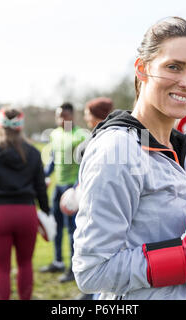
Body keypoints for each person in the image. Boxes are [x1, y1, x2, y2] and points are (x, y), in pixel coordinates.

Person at [72, 16, 186, 300]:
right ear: (142, 69)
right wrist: (184, 259)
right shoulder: (117, 151)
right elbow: (92, 271)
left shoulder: (181, 147)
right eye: (174, 67)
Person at [0, 108, 50, 300]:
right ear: (21, 127)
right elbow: (40, 188)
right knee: (25, 264)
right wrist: (46, 211)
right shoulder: (34, 153)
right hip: (26, 213)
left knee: (1, 269)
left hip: (0, 214)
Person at [59, 97, 114, 300]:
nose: (84, 117)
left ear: (95, 115)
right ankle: (90, 292)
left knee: (97, 248)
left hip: (99, 207)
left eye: (87, 113)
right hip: (94, 203)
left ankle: (94, 293)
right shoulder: (101, 137)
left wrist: (78, 191)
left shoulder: (102, 140)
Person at [40, 102, 86, 283]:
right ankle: (57, 261)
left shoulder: (80, 136)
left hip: (71, 189)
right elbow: (52, 160)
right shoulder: (54, 134)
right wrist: (42, 177)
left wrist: (76, 189)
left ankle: (73, 268)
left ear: (72, 116)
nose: (61, 119)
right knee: (56, 227)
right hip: (57, 187)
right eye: (58, 116)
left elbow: (84, 165)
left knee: (72, 230)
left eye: (64, 116)